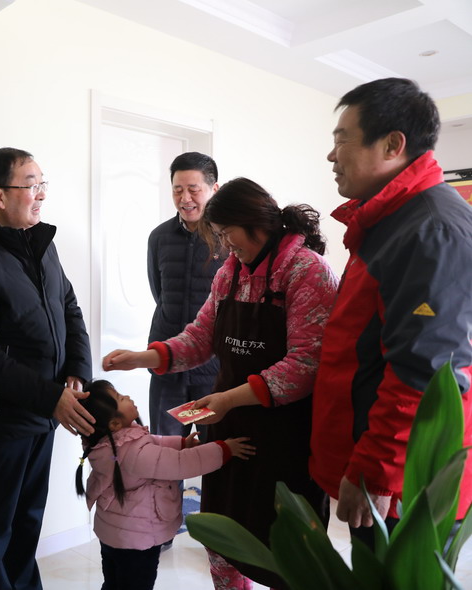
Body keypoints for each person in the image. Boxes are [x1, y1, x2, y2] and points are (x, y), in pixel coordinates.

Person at [103, 177, 338, 589]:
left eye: (228, 234)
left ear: (255, 223)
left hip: (285, 435)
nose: (226, 246)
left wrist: (227, 399)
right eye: (220, 237)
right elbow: (200, 337)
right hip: (229, 428)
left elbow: (305, 365)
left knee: (286, 550)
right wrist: (144, 357)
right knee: (223, 537)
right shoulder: (230, 273)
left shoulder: (307, 271)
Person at [309, 77, 472, 545]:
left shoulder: (430, 230)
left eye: (342, 140)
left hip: (406, 480)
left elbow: (427, 372)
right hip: (386, 465)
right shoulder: (392, 219)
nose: (332, 155)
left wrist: (377, 473)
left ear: (392, 145)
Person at [0, 147, 94, 590]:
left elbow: (69, 307)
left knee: (28, 521)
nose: (41, 194)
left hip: (46, 412)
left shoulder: (42, 245)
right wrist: (52, 397)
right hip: (3, 420)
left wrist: (76, 370)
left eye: (43, 184)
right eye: (31, 185)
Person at [75, 379, 254, 590]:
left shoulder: (108, 444)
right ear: (114, 424)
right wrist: (224, 450)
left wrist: (181, 443)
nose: (128, 397)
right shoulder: (133, 453)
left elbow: (153, 442)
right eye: (121, 398)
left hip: (112, 536)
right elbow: (181, 464)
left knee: (113, 583)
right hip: (137, 542)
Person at [147, 152, 223, 441]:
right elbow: (160, 293)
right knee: (165, 450)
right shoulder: (159, 237)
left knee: (212, 450)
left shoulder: (228, 239)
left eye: (193, 189)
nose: (185, 198)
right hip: (167, 370)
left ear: (214, 189)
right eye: (177, 190)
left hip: (211, 374)